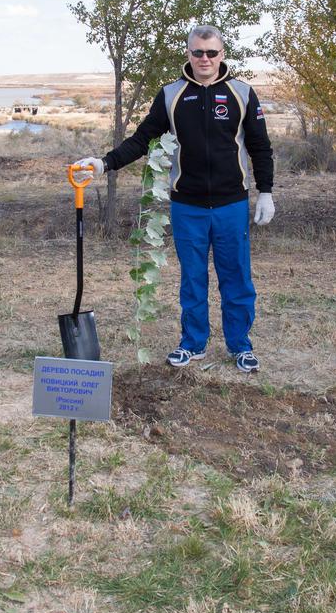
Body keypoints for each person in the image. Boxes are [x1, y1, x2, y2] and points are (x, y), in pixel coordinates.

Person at [74, 24, 275, 372]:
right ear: (189, 54)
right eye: (198, 52)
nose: (205, 59)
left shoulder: (242, 93)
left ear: (222, 54)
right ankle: (193, 343)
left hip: (231, 204)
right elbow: (141, 139)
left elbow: (260, 147)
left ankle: (240, 345)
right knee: (192, 278)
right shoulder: (171, 95)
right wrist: (105, 163)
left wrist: (266, 193)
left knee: (237, 277)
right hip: (187, 205)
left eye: (211, 52)